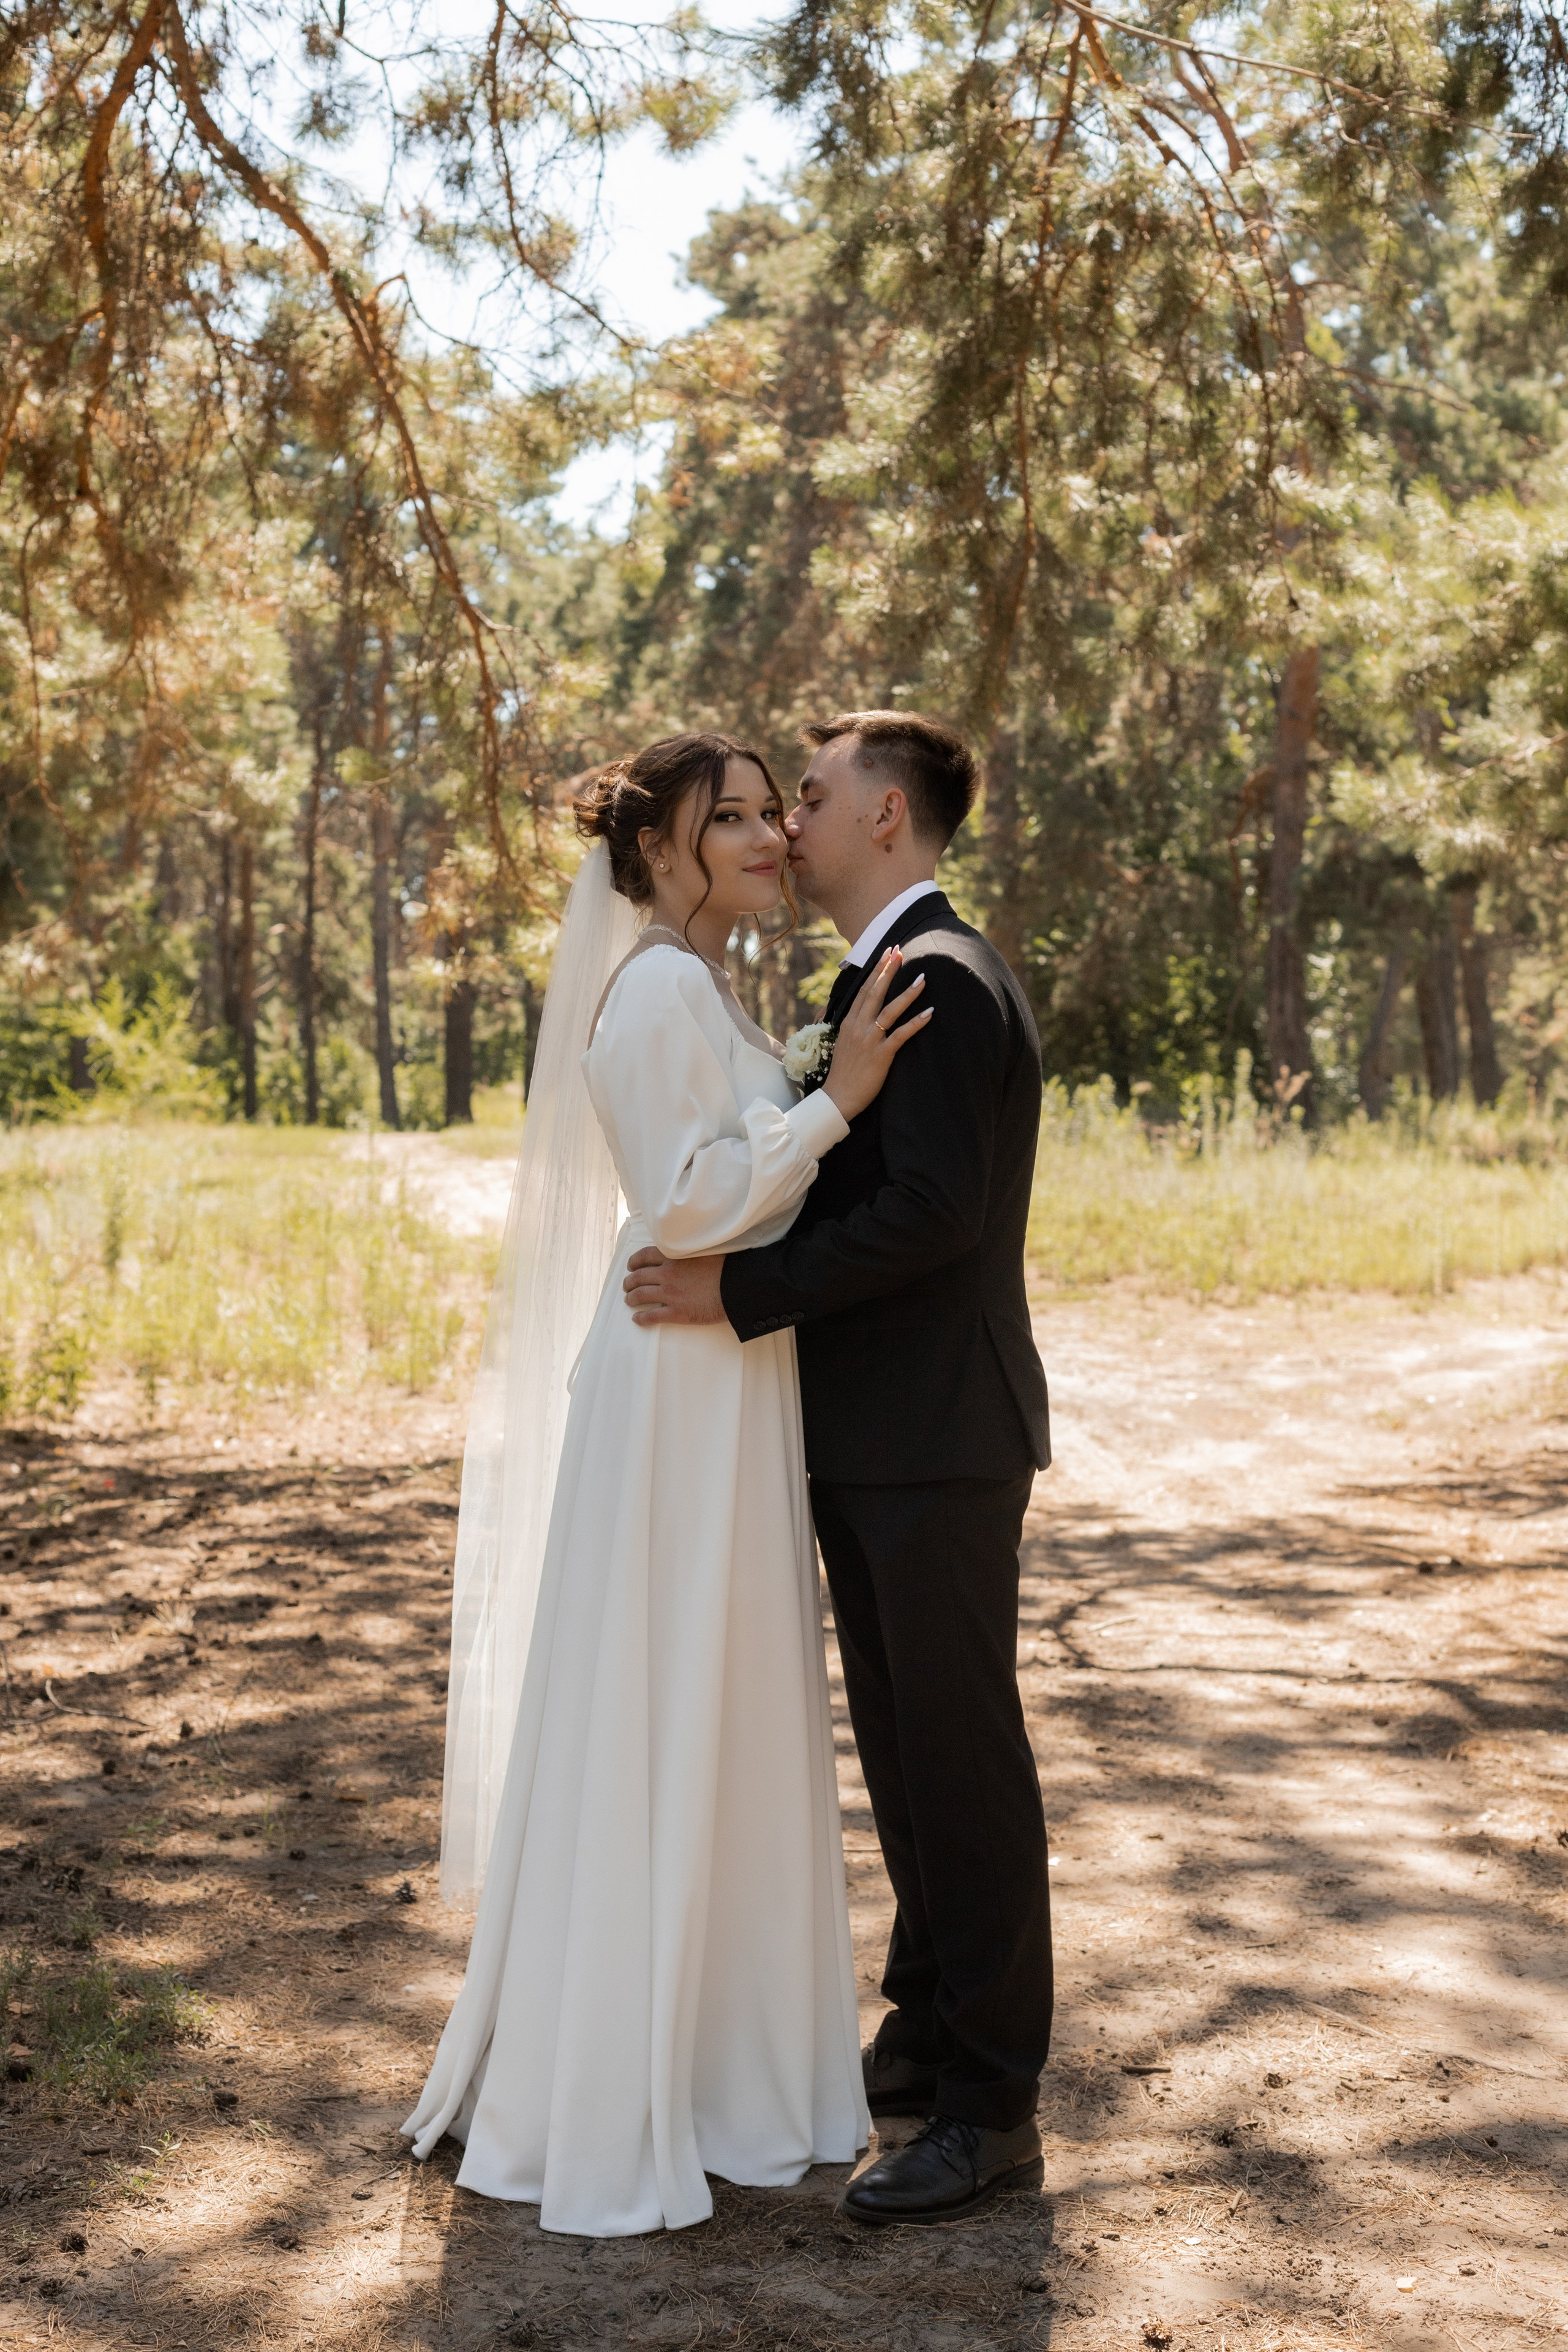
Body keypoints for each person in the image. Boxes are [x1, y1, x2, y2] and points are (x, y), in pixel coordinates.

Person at [402, 731, 930, 2237]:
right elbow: (688, 1199)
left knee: (723, 1694)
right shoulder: (651, 988)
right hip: (681, 1382)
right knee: (667, 1689)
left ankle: (722, 2057)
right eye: (736, 820)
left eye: (776, 812)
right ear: (656, 853)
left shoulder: (699, 984)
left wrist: (814, 1104)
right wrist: (837, 1104)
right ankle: (636, 2072)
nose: (771, 838)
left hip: (728, 1372)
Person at [624, 710, 1054, 2227]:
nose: (786, 822)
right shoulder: (875, 978)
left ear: (888, 819)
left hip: (937, 1440)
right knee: (906, 1755)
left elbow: (931, 1213)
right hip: (878, 1442)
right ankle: (929, 2033)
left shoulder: (935, 976)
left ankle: (992, 2107)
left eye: (808, 796)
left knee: (961, 1761)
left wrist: (737, 1298)